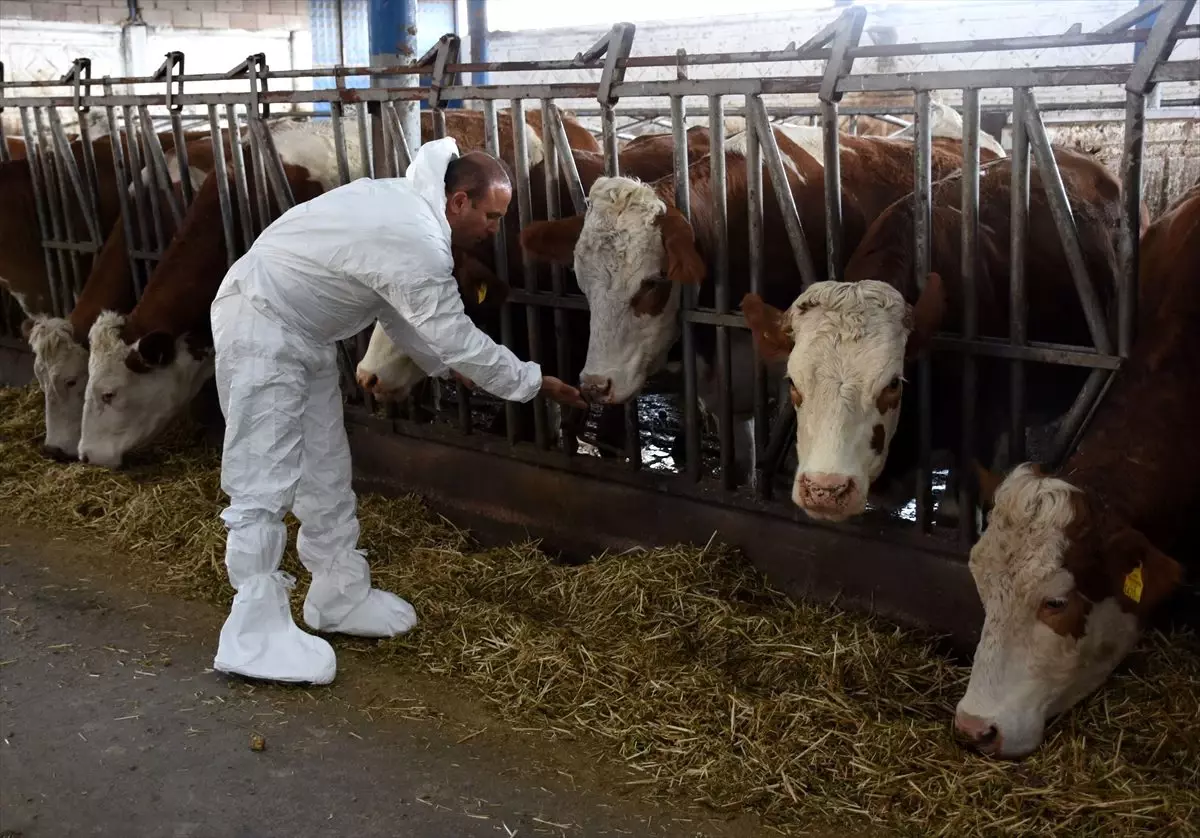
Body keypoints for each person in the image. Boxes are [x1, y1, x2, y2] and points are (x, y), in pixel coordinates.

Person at [208, 137, 585, 685]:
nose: (492, 230)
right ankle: (253, 628)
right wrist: (530, 382)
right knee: (262, 475)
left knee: (324, 465)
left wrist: (443, 364)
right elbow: (451, 331)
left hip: (300, 331)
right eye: (491, 216)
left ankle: (338, 591)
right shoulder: (417, 237)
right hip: (262, 321)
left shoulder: (406, 209)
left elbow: (404, 315)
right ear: (459, 202)